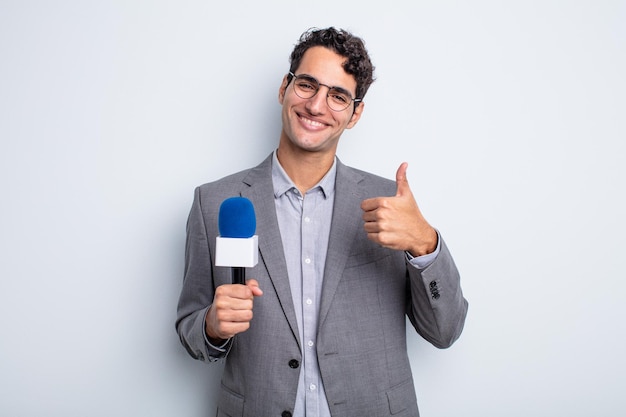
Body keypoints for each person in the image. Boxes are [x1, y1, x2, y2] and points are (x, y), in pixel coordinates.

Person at [176, 27, 468, 417]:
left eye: (337, 96)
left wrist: (425, 244)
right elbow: (189, 330)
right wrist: (212, 325)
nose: (316, 106)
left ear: (355, 113)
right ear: (284, 87)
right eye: (307, 85)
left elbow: (444, 331)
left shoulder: (389, 205)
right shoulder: (215, 203)